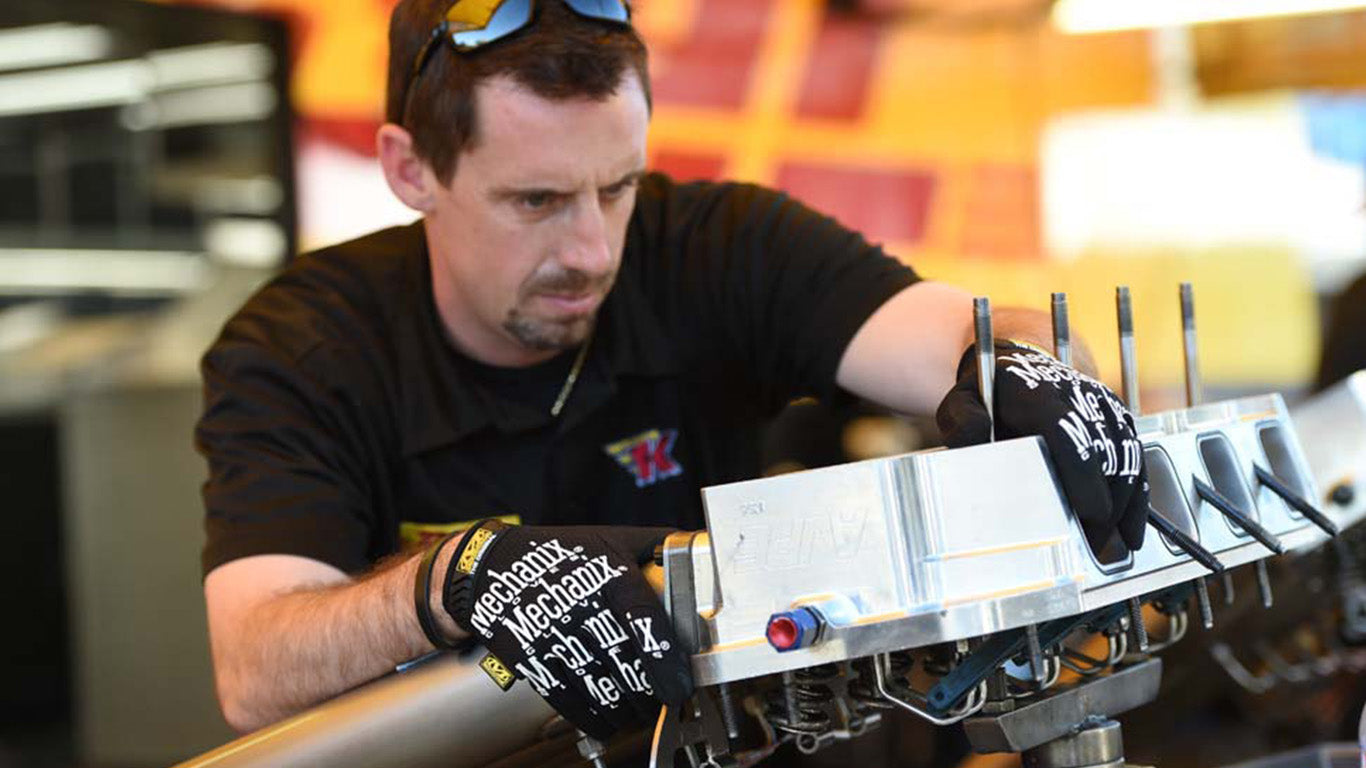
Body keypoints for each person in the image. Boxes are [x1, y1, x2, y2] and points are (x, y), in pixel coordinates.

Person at [195, 0, 1149, 749]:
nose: (588, 248)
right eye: (535, 199)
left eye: (617, 187)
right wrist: (448, 583)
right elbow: (253, 666)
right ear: (410, 171)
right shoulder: (301, 346)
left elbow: (967, 335)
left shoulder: (719, 248)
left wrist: (1033, 370)